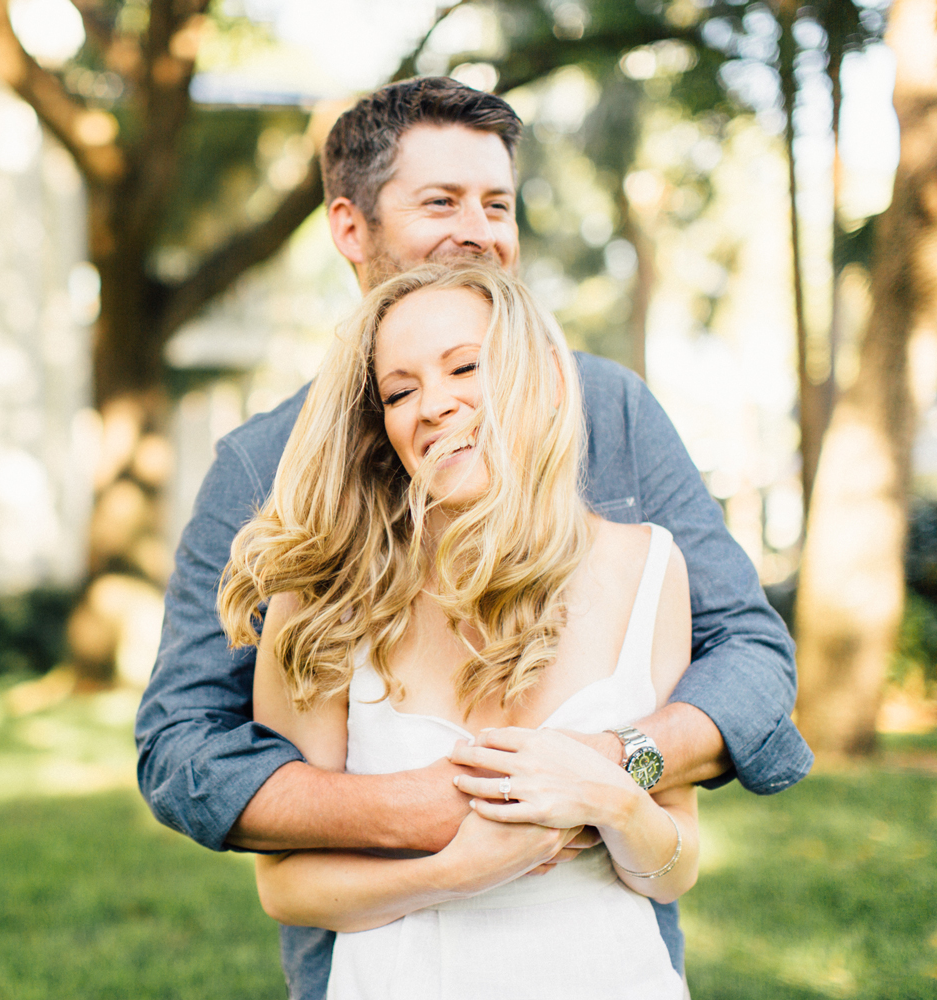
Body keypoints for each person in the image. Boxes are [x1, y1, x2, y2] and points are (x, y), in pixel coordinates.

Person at [134, 76, 812, 1000]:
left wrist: (614, 767)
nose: (480, 229)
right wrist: (419, 813)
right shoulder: (262, 468)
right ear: (349, 228)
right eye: (441, 201)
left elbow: (750, 652)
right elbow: (184, 746)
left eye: (497, 202)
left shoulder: (611, 409)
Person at [220, 259, 694, 998]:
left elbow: (676, 864)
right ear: (384, 432)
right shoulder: (323, 600)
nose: (433, 405)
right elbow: (287, 888)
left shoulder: (650, 570)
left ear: (537, 374)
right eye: (400, 391)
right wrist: (456, 873)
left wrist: (609, 797)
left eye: (464, 367)